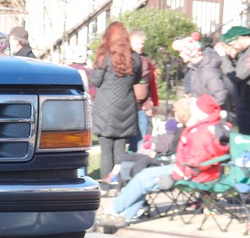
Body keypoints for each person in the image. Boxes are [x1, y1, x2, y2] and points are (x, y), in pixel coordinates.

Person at [97, 94, 229, 226]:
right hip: (191, 171)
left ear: (198, 113)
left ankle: (113, 211)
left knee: (142, 179)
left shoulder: (201, 132)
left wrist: (174, 176)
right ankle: (122, 217)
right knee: (143, 178)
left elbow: (197, 161)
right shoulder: (208, 128)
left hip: (191, 175)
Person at [90, 21, 142, 187]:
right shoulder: (134, 59)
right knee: (120, 150)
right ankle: (120, 185)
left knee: (106, 150)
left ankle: (106, 186)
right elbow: (137, 79)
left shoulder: (104, 57)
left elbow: (95, 81)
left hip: (105, 108)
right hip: (126, 108)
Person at [220, 25, 250, 135]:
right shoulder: (247, 51)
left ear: (240, 38)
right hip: (245, 101)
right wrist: (233, 57)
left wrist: (222, 58)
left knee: (246, 138)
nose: (233, 47)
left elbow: (238, 76)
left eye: (232, 44)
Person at [173, 33, 229, 109]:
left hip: (208, 116)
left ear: (190, 52)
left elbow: (220, 97)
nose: (180, 55)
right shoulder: (196, 68)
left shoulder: (208, 71)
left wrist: (203, 109)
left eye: (181, 51)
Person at [128, 29, 158, 150]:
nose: (141, 46)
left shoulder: (146, 60)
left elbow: (151, 83)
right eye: (137, 43)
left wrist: (153, 102)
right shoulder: (126, 59)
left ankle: (140, 156)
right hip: (129, 103)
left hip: (143, 105)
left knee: (143, 130)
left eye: (142, 43)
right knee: (132, 134)